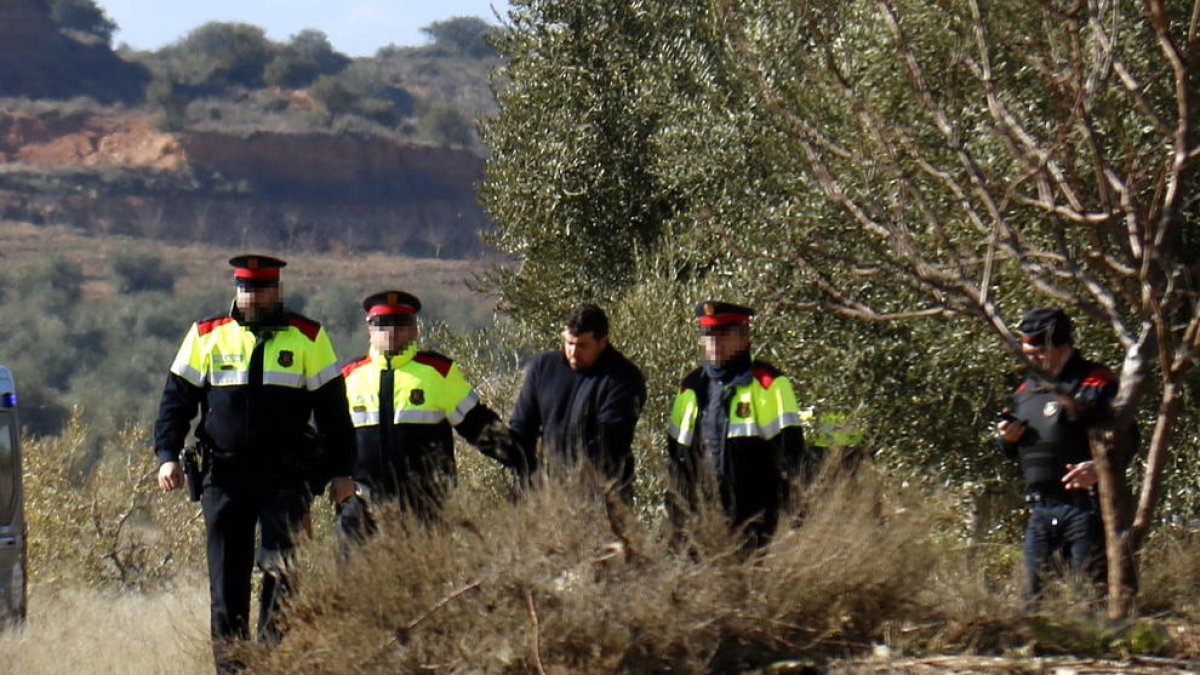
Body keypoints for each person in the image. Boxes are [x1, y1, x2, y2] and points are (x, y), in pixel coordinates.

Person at [154, 254, 355, 673]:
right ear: (236, 290)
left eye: (262, 289)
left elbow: (334, 414)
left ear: (276, 291)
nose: (253, 296)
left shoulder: (308, 336)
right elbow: (177, 402)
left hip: (285, 478)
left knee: (282, 575)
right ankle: (232, 669)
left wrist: (342, 472)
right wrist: (167, 456)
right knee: (227, 587)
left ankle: (272, 663)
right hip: (223, 477)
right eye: (246, 288)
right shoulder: (206, 334)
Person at [339, 290, 525, 534]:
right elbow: (330, 438)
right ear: (369, 329)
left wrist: (524, 460)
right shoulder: (349, 376)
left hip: (425, 504)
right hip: (362, 504)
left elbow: (478, 425)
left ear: (414, 329)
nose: (392, 331)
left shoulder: (439, 372)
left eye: (401, 323)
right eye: (383, 323)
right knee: (353, 571)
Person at [996, 307, 1131, 598]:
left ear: (1062, 347)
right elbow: (1012, 451)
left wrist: (1098, 468)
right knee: (1032, 598)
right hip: (1041, 508)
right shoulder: (1025, 390)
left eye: (1039, 352)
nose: (1032, 359)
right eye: (1027, 351)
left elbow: (1128, 439)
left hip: (1086, 508)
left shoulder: (1095, 382)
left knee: (1087, 597)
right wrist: (1007, 439)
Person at [666, 301, 808, 547]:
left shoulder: (769, 384)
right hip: (702, 520)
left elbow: (792, 457)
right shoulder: (690, 387)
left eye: (723, 335)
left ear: (744, 338)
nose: (714, 344)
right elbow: (676, 460)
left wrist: (796, 518)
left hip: (756, 522)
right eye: (708, 336)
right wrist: (675, 515)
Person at [509, 303, 646, 503]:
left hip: (603, 497)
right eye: (569, 343)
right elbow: (522, 426)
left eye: (582, 345)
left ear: (603, 342)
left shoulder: (624, 378)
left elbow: (610, 443)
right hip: (547, 494)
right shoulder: (543, 368)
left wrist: (566, 480)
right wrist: (526, 472)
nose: (573, 351)